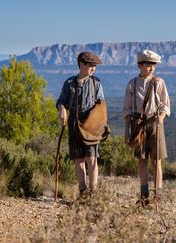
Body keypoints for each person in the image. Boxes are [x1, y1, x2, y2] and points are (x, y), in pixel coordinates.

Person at [123, 49, 171, 207]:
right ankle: (144, 196)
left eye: (154, 65)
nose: (152, 68)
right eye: (148, 65)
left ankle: (158, 196)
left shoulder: (159, 82)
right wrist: (126, 130)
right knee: (142, 161)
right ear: (139, 65)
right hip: (138, 124)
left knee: (156, 161)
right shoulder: (132, 83)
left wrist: (162, 118)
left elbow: (165, 104)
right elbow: (128, 108)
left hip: (156, 123)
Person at [56, 51, 105, 196]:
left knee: (92, 157)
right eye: (90, 65)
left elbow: (101, 104)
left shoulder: (96, 83)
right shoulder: (69, 83)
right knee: (79, 159)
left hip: (92, 123)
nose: (93, 68)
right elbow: (61, 101)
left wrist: (99, 124)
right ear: (81, 65)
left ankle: (93, 192)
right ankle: (83, 192)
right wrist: (62, 109)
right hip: (74, 123)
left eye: (94, 66)